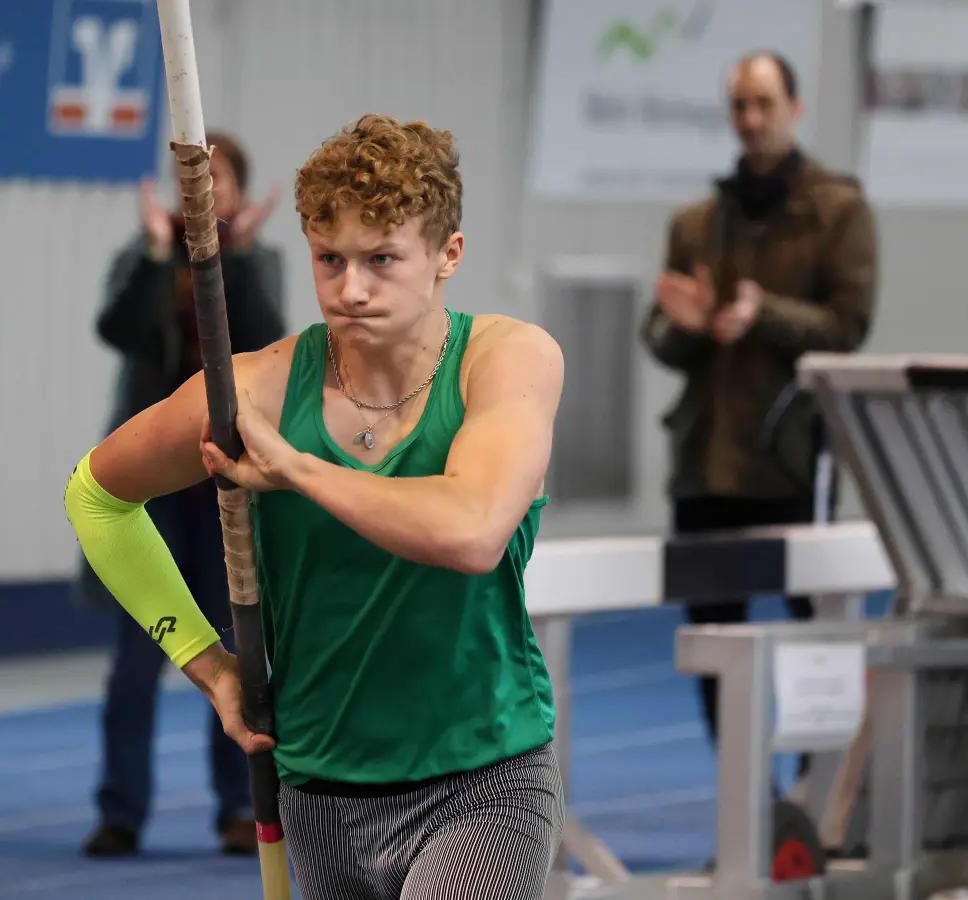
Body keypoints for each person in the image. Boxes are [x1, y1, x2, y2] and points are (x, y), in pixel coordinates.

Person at [65, 113, 566, 899]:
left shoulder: (506, 360)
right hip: (316, 788)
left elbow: (472, 531)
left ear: (447, 256)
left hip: (482, 783)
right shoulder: (257, 387)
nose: (352, 288)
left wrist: (298, 470)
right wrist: (209, 667)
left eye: (382, 259)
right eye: (329, 258)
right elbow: (96, 497)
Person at [642, 51, 878, 761]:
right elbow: (658, 335)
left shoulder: (838, 211)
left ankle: (820, 807)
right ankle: (744, 814)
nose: (750, 119)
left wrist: (764, 313)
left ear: (796, 109)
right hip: (708, 465)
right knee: (714, 647)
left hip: (793, 463)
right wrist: (686, 328)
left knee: (818, 647)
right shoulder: (696, 223)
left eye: (764, 104)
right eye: (740, 105)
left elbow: (848, 328)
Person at [79, 130, 286, 858]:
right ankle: (121, 808)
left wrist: (232, 257)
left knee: (237, 647)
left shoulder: (260, 262)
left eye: (219, 178)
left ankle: (239, 805)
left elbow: (265, 339)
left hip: (226, 489)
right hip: (157, 489)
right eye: (193, 177)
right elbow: (118, 329)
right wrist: (162, 254)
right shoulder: (145, 254)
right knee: (139, 656)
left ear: (236, 190)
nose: (204, 190)